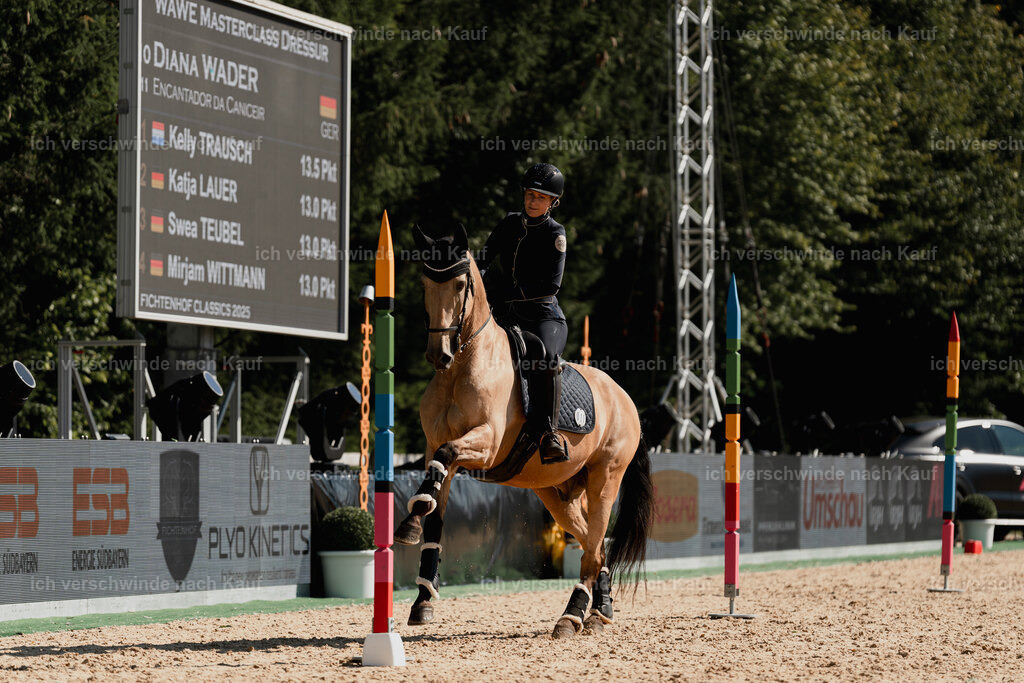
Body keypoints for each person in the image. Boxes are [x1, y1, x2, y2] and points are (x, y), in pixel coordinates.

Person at [478, 163, 569, 464]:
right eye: (530, 194)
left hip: (543, 315)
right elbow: (485, 258)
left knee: (547, 361)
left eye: (541, 197)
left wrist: (506, 295)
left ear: (552, 202)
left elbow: (551, 285)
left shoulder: (556, 233)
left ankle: (550, 433)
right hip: (508, 314)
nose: (532, 201)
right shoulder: (508, 224)